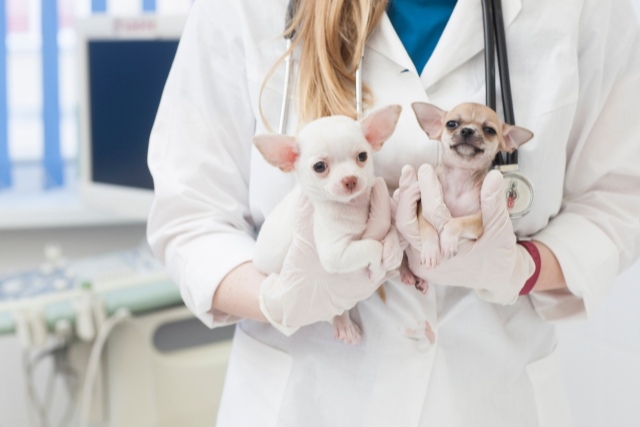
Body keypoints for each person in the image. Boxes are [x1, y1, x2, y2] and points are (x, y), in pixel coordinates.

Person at [146, 0, 640, 425]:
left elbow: (618, 196)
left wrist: (522, 268)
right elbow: (190, 213)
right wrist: (279, 299)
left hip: (490, 396)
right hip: (309, 400)